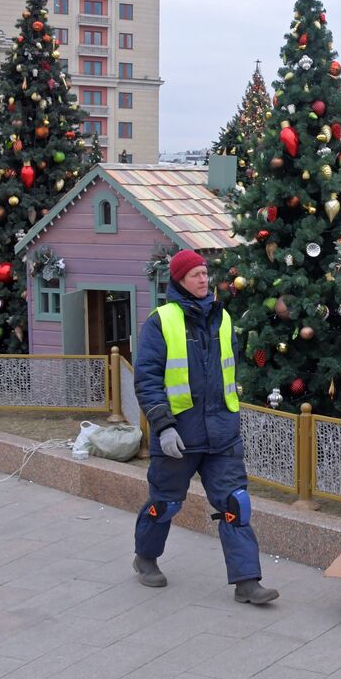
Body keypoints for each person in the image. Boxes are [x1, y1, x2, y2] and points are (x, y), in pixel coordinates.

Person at [132, 249, 278, 605]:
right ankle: (146, 557)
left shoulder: (223, 318)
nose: (203, 279)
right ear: (180, 280)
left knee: (236, 504)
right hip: (178, 437)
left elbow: (227, 371)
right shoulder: (160, 321)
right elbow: (147, 379)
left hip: (222, 435)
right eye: (195, 274)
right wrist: (163, 427)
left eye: (204, 273)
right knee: (164, 504)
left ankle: (247, 582)